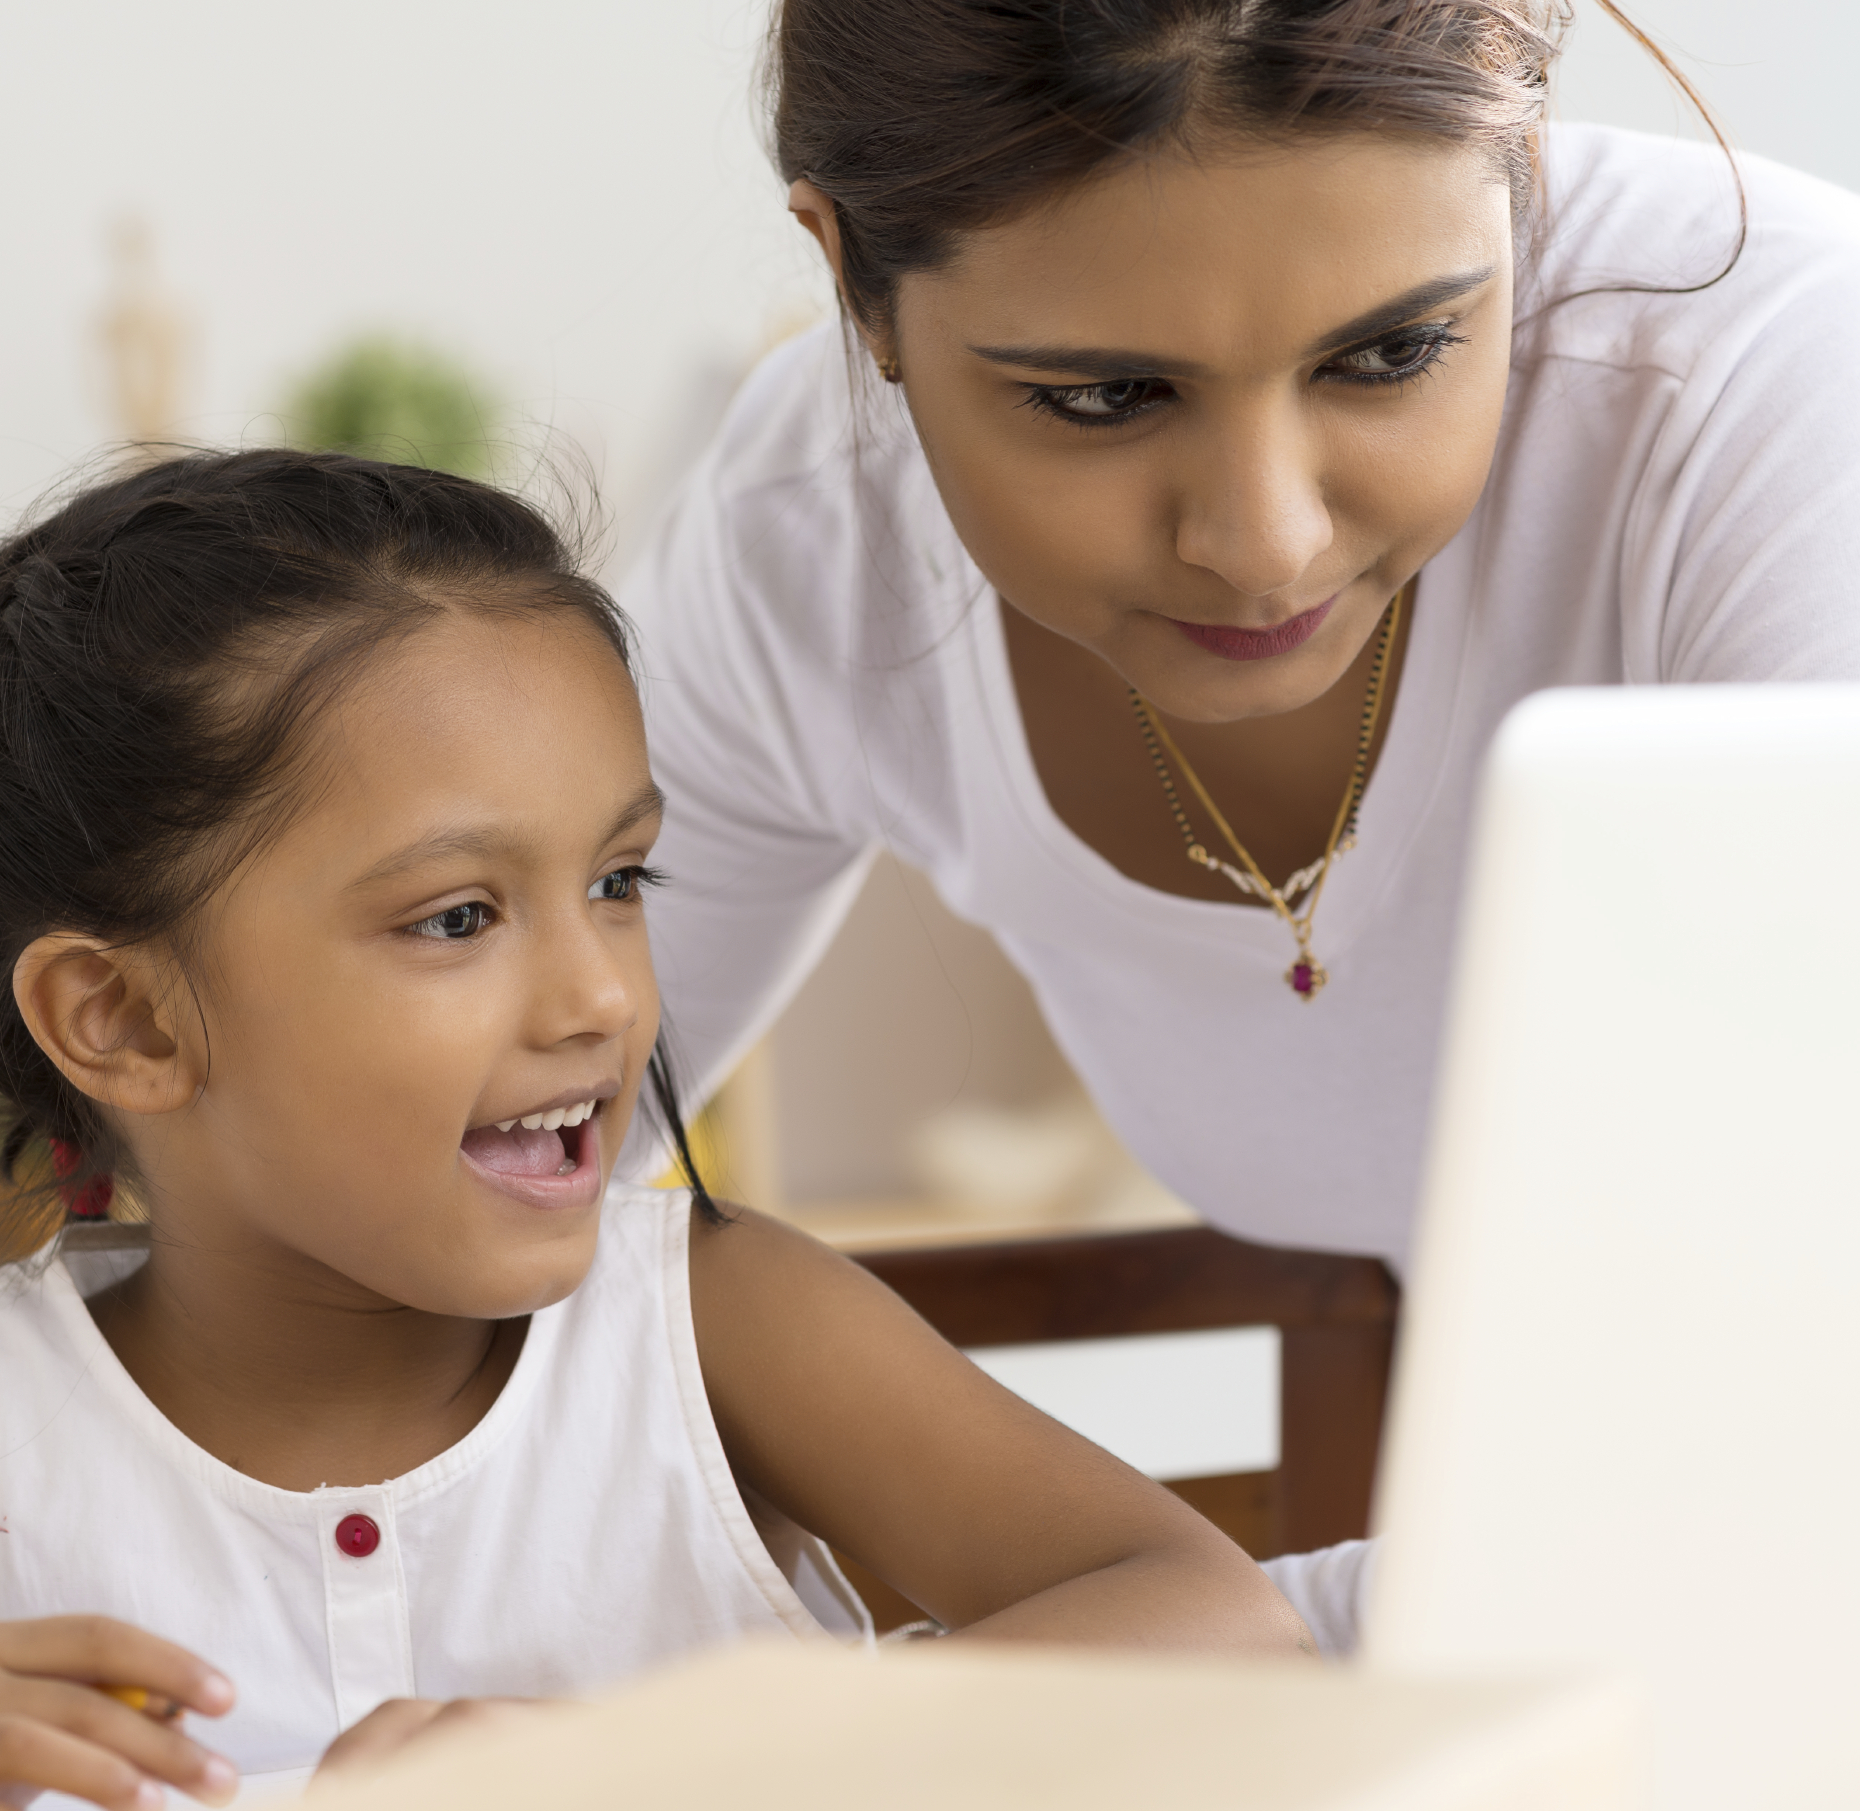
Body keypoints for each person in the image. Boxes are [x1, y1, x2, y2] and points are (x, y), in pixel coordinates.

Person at [621, 0, 1860, 1655]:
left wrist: (986, 1698)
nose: (1264, 546)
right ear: (856, 285)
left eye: (1391, 354)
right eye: (1104, 396)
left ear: (1525, 178)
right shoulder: (807, 543)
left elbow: (1790, 1492)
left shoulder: (1775, 396)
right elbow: (418, 1190)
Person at [0, 450, 1306, 1810]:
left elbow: (1225, 1626)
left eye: (618, 882)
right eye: (458, 917)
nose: (601, 994)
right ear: (126, 1021)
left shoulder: (717, 1323)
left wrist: (665, 1766)